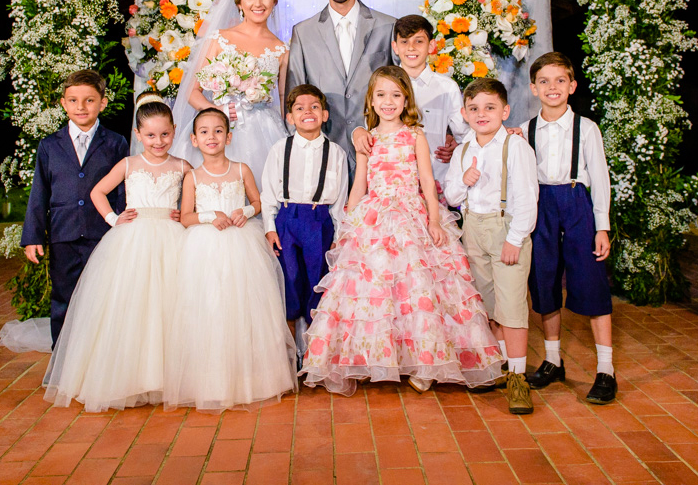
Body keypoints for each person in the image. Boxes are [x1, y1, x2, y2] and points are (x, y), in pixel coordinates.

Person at [302, 66, 503, 396]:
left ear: (406, 98)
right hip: (375, 216)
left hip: (411, 213)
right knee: (375, 291)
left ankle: (428, 364)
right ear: (371, 99)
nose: (388, 101)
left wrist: (434, 221)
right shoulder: (369, 137)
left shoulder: (415, 135)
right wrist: (350, 221)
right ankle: (371, 357)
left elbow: (426, 180)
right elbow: (360, 183)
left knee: (418, 289)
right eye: (381, 95)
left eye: (396, 94)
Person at [43, 94, 187, 411]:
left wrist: (186, 214)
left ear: (174, 132)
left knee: (170, 305)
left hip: (171, 237)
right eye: (150, 135)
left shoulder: (181, 166)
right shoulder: (129, 164)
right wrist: (113, 219)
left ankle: (167, 375)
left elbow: (195, 194)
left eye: (164, 134)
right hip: (133, 240)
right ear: (138, 135)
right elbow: (98, 191)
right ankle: (130, 375)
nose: (158, 141)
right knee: (134, 305)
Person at [163, 108, 296, 411]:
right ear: (194, 140)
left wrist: (246, 212)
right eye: (205, 132)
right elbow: (185, 217)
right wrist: (210, 216)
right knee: (210, 307)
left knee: (244, 307)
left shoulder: (241, 169)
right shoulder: (192, 176)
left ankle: (253, 379)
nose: (212, 136)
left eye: (218, 130)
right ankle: (211, 381)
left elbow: (259, 201)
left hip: (242, 246)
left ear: (229, 136)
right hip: (204, 248)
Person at [521, 52, 617, 405]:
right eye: (544, 81)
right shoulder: (526, 129)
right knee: (543, 282)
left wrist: (601, 227)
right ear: (533, 88)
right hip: (540, 205)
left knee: (590, 282)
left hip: (577, 204)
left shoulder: (587, 128)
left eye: (560, 80)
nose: (552, 87)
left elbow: (602, 180)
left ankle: (605, 369)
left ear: (572, 86)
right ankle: (552, 359)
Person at [443, 78, 539, 414]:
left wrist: (515, 238)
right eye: (474, 108)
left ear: (505, 111)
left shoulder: (515, 147)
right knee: (488, 303)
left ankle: (517, 378)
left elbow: (528, 196)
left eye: (489, 107)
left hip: (506, 228)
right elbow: (452, 195)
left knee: (512, 306)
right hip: (473, 230)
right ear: (464, 114)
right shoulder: (464, 150)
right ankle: (499, 365)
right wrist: (463, 182)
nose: (481, 113)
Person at [21, 70, 128, 346]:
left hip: (102, 233)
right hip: (63, 234)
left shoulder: (116, 143)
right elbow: (39, 193)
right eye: (73, 100)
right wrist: (33, 236)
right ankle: (61, 362)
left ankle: (100, 359)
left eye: (89, 100)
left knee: (102, 297)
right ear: (63, 103)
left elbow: (122, 190)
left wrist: (122, 227)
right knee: (64, 299)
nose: (81, 107)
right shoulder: (49, 146)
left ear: (102, 103)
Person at [171, 0, 288, 184]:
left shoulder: (282, 50)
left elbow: (283, 100)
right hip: (218, 127)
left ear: (275, 0)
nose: (258, 3)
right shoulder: (219, 39)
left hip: (264, 132)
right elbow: (191, 90)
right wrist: (216, 111)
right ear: (239, 3)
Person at [287, 0, 395, 173]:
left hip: (378, 147)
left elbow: (404, 88)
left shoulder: (388, 26)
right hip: (322, 147)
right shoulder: (303, 32)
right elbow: (294, 94)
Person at [260, 85, 349, 362]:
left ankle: (314, 354)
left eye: (313, 107)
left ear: (324, 115)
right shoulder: (279, 149)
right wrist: (270, 228)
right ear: (289, 117)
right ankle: (289, 354)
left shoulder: (336, 153)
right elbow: (268, 192)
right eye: (299, 107)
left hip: (319, 221)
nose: (306, 112)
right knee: (289, 281)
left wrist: (339, 233)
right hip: (287, 220)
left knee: (316, 282)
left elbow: (341, 199)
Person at [352, 15, 468, 187]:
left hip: (436, 182)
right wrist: (358, 131)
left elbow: (464, 133)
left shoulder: (447, 88)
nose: (411, 48)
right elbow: (371, 126)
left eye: (419, 41)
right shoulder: (382, 84)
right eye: (404, 42)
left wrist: (457, 146)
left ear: (432, 46)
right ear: (395, 47)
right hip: (392, 184)